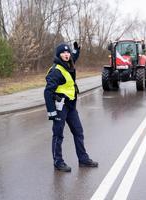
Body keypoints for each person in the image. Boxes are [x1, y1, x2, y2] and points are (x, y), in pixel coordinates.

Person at [44, 42, 98, 172]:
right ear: (58, 55)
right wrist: (52, 112)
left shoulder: (68, 63)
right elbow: (47, 92)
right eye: (63, 52)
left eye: (67, 52)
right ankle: (58, 162)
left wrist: (76, 50)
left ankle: (83, 159)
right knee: (58, 135)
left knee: (78, 132)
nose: (66, 54)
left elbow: (74, 56)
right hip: (60, 107)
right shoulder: (56, 71)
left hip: (71, 106)